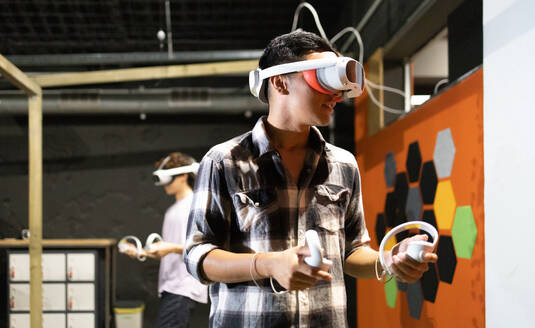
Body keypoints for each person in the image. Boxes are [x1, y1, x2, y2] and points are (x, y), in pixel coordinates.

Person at [183, 30, 437, 328]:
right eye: (324, 80)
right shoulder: (224, 160)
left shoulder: (343, 164)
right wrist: (268, 264)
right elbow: (197, 256)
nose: (337, 95)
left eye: (340, 85)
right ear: (280, 82)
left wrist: (388, 259)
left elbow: (352, 252)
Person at [120, 152, 208, 328]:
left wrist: (169, 247)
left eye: (168, 177)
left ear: (184, 175)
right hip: (170, 287)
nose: (163, 184)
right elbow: (168, 251)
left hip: (184, 287)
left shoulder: (195, 206)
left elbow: (203, 249)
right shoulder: (172, 211)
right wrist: (140, 252)